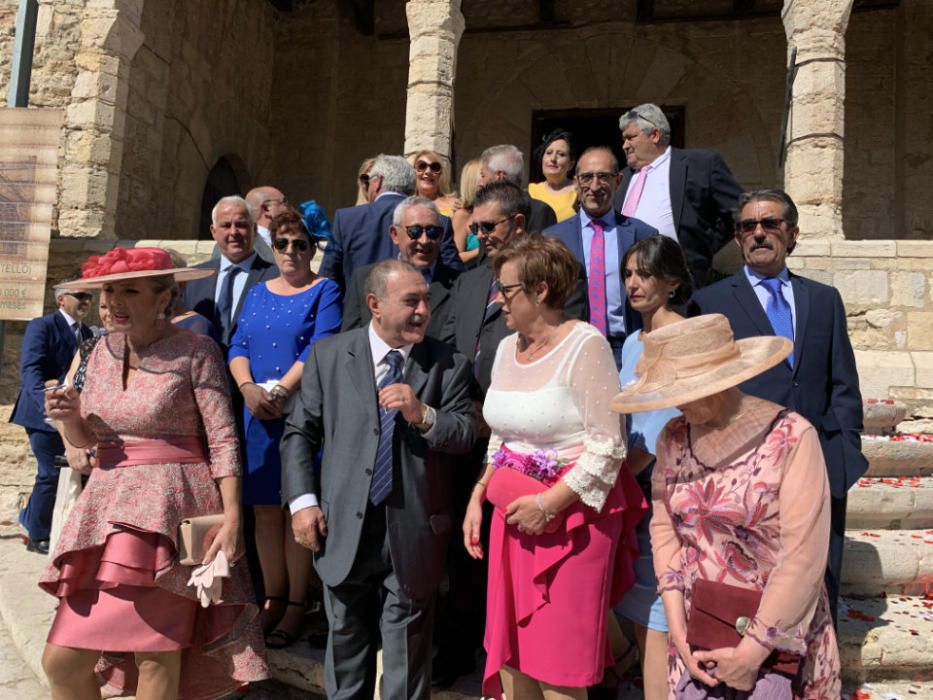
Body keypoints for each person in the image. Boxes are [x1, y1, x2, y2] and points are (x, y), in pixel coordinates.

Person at [39, 246, 268, 700]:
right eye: (109, 290)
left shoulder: (197, 351)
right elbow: (91, 440)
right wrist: (69, 419)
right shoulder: (97, 351)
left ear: (166, 296)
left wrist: (232, 518)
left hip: (170, 511)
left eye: (130, 290)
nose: (115, 300)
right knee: (62, 664)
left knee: (155, 655)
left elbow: (222, 439)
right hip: (104, 512)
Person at [610, 313, 841, 698]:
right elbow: (665, 530)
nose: (673, 405)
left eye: (682, 391)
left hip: (779, 643)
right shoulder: (673, 437)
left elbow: (804, 558)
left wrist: (752, 652)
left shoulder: (791, 437)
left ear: (717, 382)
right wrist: (678, 627)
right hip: (696, 636)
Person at [281, 259, 476, 700]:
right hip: (343, 529)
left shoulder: (448, 364)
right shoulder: (329, 356)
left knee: (406, 668)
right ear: (374, 304)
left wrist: (422, 414)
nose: (423, 310)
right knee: (346, 654)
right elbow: (299, 433)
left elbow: (464, 434)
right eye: (411, 301)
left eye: (426, 300)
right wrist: (303, 502)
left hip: (413, 534)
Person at [463, 235, 645, 700]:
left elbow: (609, 446)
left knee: (558, 668)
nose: (498, 300)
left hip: (573, 524)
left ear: (541, 289)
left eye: (506, 290)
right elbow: (503, 432)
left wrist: (549, 504)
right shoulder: (505, 349)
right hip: (512, 522)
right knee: (513, 659)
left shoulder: (586, 345)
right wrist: (479, 493)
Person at [688, 188, 867, 621]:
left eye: (771, 224)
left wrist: (845, 450)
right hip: (746, 469)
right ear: (737, 239)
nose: (759, 233)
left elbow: (843, 382)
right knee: (753, 590)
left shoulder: (823, 300)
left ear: (793, 233)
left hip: (822, 464)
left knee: (818, 581)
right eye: (748, 226)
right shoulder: (711, 303)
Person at [228, 207, 342, 649]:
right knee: (262, 512)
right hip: (255, 412)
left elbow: (322, 344)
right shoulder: (257, 291)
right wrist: (247, 388)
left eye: (300, 244)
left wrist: (280, 392)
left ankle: (297, 603)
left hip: (299, 414)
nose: (291, 252)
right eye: (282, 244)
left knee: (297, 508)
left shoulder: (324, 289)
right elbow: (238, 342)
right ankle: (272, 598)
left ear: (313, 249)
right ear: (271, 248)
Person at [612, 235, 693, 700]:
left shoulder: (684, 338)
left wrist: (610, 480)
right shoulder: (631, 344)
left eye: (645, 273)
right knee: (641, 617)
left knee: (660, 618)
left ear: (673, 281)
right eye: (628, 274)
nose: (634, 283)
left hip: (668, 493)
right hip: (632, 490)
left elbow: (663, 425)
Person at [544, 146, 658, 369]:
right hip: (571, 350)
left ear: (618, 181)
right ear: (576, 182)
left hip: (630, 349)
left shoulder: (643, 235)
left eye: (603, 177)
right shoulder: (552, 238)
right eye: (587, 177)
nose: (594, 186)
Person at [613, 104, 742, 287]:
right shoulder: (621, 177)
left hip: (676, 282)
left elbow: (738, 211)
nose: (625, 145)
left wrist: (702, 247)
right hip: (626, 283)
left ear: (655, 135)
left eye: (630, 138)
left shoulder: (700, 164)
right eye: (624, 139)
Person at [11, 283, 94, 555]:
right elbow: (31, 368)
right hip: (40, 415)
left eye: (89, 297)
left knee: (65, 472)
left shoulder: (88, 332)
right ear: (61, 299)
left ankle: (28, 518)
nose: (86, 301)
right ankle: (38, 535)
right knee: (50, 472)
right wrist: (45, 404)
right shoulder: (43, 325)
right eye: (80, 295)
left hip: (70, 416)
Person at [319, 154, 463, 292]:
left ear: (378, 182)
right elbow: (455, 278)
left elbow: (329, 279)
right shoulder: (438, 222)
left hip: (360, 314)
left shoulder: (346, 219)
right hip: (422, 312)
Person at [342, 196, 460, 338]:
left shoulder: (459, 284)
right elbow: (350, 342)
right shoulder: (364, 279)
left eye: (432, 232)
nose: (424, 240)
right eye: (415, 232)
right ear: (395, 234)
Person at [185, 195, 279, 352]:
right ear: (213, 231)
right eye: (226, 225)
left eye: (241, 225)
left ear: (254, 230)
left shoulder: (276, 276)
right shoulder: (193, 277)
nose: (234, 232)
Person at [479, 144, 558, 233]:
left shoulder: (540, 213)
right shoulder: (482, 209)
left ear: (500, 176)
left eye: (483, 175)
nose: (480, 183)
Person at [528, 129, 578, 222]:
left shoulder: (579, 191)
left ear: (571, 164)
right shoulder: (530, 191)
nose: (553, 159)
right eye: (549, 153)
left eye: (561, 154)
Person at [452, 158, 483, 267]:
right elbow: (456, 257)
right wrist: (482, 250)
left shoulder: (495, 210)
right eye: (483, 176)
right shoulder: (462, 215)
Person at [411, 149, 460, 217]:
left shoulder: (455, 205)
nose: (428, 171)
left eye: (434, 167)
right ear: (414, 172)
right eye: (422, 166)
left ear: (441, 174)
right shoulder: (405, 205)